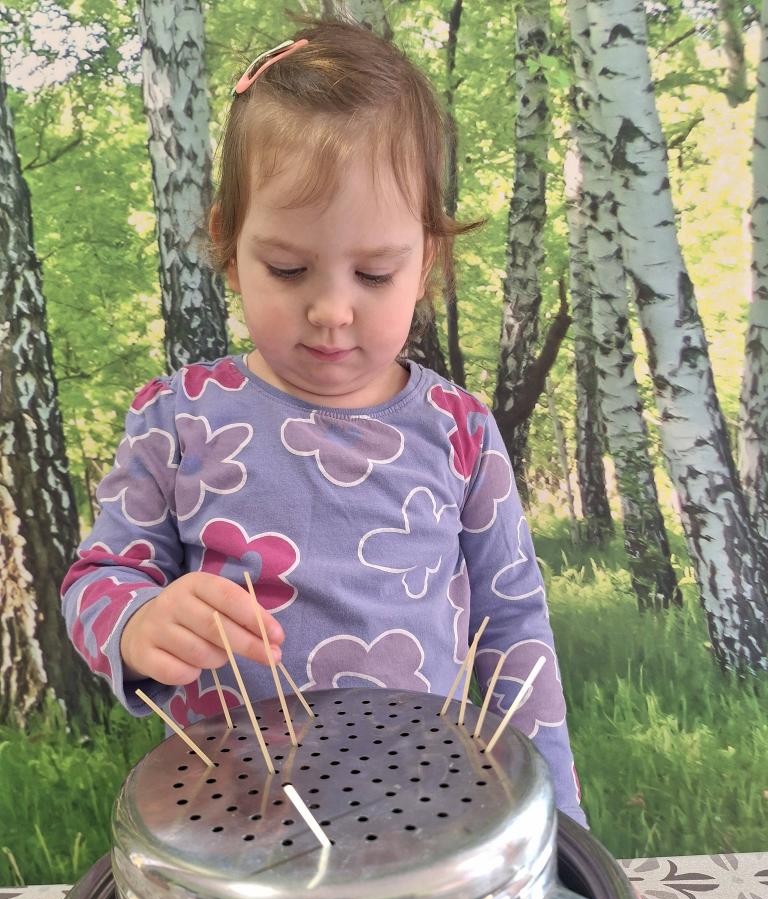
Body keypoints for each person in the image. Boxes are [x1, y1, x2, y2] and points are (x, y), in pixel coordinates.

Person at [61, 16, 586, 826]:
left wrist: (559, 824)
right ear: (229, 246)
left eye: (374, 274)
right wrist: (135, 623)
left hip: (428, 812)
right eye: (288, 267)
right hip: (234, 820)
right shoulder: (178, 418)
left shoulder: (459, 429)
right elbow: (97, 577)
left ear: (426, 261)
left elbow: (516, 633)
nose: (332, 310)